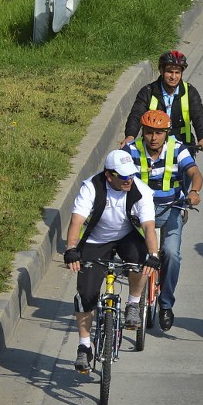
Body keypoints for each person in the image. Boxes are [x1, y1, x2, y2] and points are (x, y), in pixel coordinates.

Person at [64, 150, 160, 373]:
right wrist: (71, 249)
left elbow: (148, 226)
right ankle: (85, 346)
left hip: (126, 236)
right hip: (96, 241)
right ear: (109, 175)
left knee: (140, 261)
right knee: (86, 293)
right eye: (123, 176)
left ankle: (134, 303)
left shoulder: (140, 190)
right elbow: (77, 221)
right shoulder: (91, 187)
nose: (129, 180)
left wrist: (153, 255)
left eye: (131, 175)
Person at [120, 110, 203, 331]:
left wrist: (193, 192)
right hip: (139, 212)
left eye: (159, 133)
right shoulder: (130, 151)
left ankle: (166, 304)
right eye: (148, 132)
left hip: (171, 208)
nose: (153, 138)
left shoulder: (177, 149)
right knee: (136, 257)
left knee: (171, 254)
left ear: (166, 132)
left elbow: (195, 173)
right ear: (142, 132)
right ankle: (134, 303)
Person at [123, 50, 203, 152]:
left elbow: (199, 117)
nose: (173, 77)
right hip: (153, 147)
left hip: (183, 147)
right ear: (161, 71)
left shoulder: (190, 92)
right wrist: (130, 136)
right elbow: (136, 115)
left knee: (190, 168)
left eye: (177, 72)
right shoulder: (148, 92)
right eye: (170, 72)